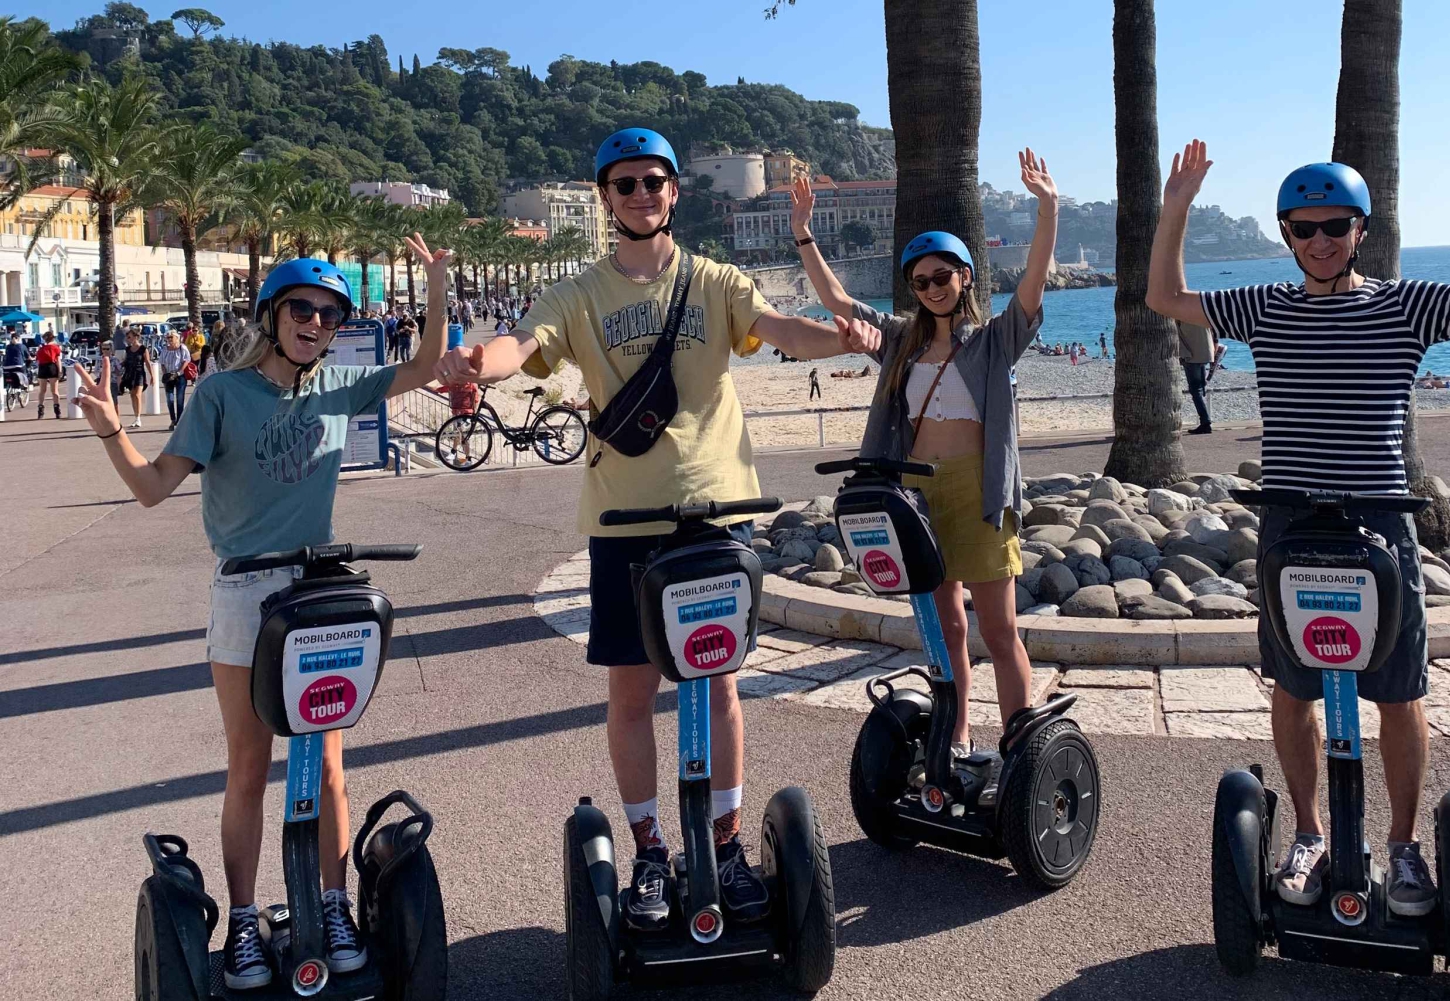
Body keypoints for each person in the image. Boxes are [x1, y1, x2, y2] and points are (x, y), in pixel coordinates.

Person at [432, 127, 877, 933]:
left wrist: (838, 336)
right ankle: (646, 848)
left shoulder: (714, 280)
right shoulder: (580, 292)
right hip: (624, 522)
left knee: (720, 686)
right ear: (607, 197)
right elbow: (520, 345)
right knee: (632, 692)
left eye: (654, 182)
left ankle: (729, 843)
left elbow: (779, 330)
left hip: (715, 515)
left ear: (675, 192)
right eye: (625, 184)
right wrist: (474, 359)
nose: (641, 195)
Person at [71, 238, 450, 990]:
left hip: (317, 595)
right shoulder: (219, 395)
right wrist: (111, 427)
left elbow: (425, 365)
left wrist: (437, 292)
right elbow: (152, 488)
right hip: (247, 594)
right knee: (249, 765)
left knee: (330, 764)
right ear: (271, 315)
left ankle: (334, 905)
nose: (315, 321)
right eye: (302, 308)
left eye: (329, 313)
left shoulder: (337, 390)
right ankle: (245, 921)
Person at [1146, 138, 1450, 918]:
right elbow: (1167, 298)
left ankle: (1403, 847)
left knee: (1399, 692)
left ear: (1360, 229)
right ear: (1286, 235)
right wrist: (1175, 210)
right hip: (1291, 522)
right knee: (1295, 683)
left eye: (1334, 226)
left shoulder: (1407, 304)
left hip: (1382, 521)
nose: (1319, 241)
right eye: (1301, 229)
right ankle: (1308, 833)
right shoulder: (1265, 305)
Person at [789, 147, 1058, 751]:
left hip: (979, 491)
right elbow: (836, 302)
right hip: (917, 493)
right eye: (920, 281)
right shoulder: (899, 340)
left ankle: (1019, 742)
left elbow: (1033, 288)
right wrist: (804, 234)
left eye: (943, 276)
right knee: (946, 625)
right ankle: (955, 732)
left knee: (1001, 625)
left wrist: (1048, 211)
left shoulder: (993, 342)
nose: (932, 288)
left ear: (964, 277)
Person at [1176, 319, 1217, 434]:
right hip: (1205, 352)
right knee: (1200, 385)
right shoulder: (1198, 312)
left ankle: (1205, 421)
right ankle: (1205, 420)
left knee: (1195, 389)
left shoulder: (1180, 314)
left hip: (1191, 354)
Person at [118, 328, 153, 429]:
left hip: (139, 373)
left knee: (137, 395)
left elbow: (147, 362)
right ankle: (136, 417)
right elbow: (125, 361)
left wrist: (152, 376)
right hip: (129, 374)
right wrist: (119, 365)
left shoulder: (143, 349)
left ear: (136, 337)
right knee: (132, 395)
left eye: (129, 337)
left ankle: (138, 418)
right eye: (127, 337)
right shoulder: (127, 349)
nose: (127, 339)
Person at [158, 330, 191, 430]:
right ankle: (173, 419)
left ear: (177, 338)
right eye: (168, 338)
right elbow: (162, 362)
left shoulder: (182, 348)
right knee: (170, 399)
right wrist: (165, 374)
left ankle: (180, 421)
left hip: (179, 376)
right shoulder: (165, 349)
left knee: (180, 399)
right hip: (169, 376)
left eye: (171, 337)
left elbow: (186, 360)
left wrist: (179, 372)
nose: (169, 340)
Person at [33, 329, 63, 419]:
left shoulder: (41, 349)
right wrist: (60, 371)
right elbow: (58, 360)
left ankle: (40, 410)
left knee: (42, 391)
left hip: (42, 368)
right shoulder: (55, 348)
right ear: (52, 339)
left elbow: (38, 360)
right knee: (55, 391)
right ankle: (57, 410)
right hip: (51, 367)